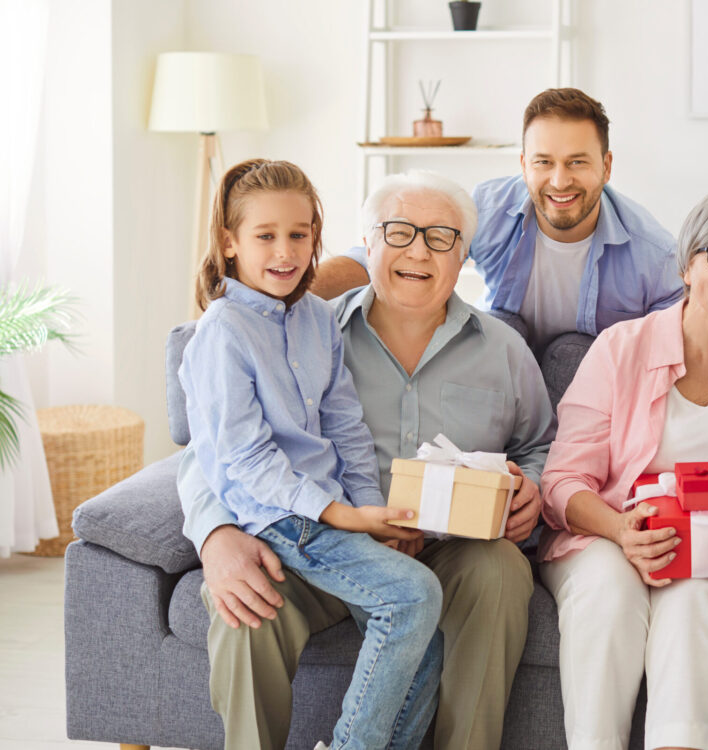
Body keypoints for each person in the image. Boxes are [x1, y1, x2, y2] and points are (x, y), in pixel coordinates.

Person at [179, 169, 557, 750]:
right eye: (399, 232)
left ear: (464, 258)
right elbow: (215, 451)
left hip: (450, 547)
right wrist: (214, 535)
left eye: (441, 237)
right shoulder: (309, 326)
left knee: (502, 569)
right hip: (318, 538)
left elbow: (539, 445)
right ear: (367, 243)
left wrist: (531, 484)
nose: (418, 251)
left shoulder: (504, 348)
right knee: (246, 601)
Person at [180, 158, 442, 750]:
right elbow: (246, 460)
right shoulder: (221, 332)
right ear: (229, 242)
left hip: (328, 519)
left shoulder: (319, 320)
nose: (285, 252)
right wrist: (339, 514)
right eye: (265, 236)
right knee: (414, 595)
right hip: (281, 522)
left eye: (299, 235)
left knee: (426, 630)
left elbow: (345, 428)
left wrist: (374, 513)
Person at [538, 188, 708, 750]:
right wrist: (622, 531)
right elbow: (561, 483)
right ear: (686, 263)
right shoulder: (621, 348)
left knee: (697, 599)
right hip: (603, 534)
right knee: (608, 589)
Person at [311, 88, 682, 358]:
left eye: (577, 162)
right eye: (543, 162)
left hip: (588, 378)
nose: (559, 180)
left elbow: (680, 346)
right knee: (502, 327)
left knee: (577, 353)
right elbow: (384, 256)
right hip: (500, 359)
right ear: (523, 165)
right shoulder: (488, 209)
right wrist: (294, 294)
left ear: (607, 167)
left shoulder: (654, 254)